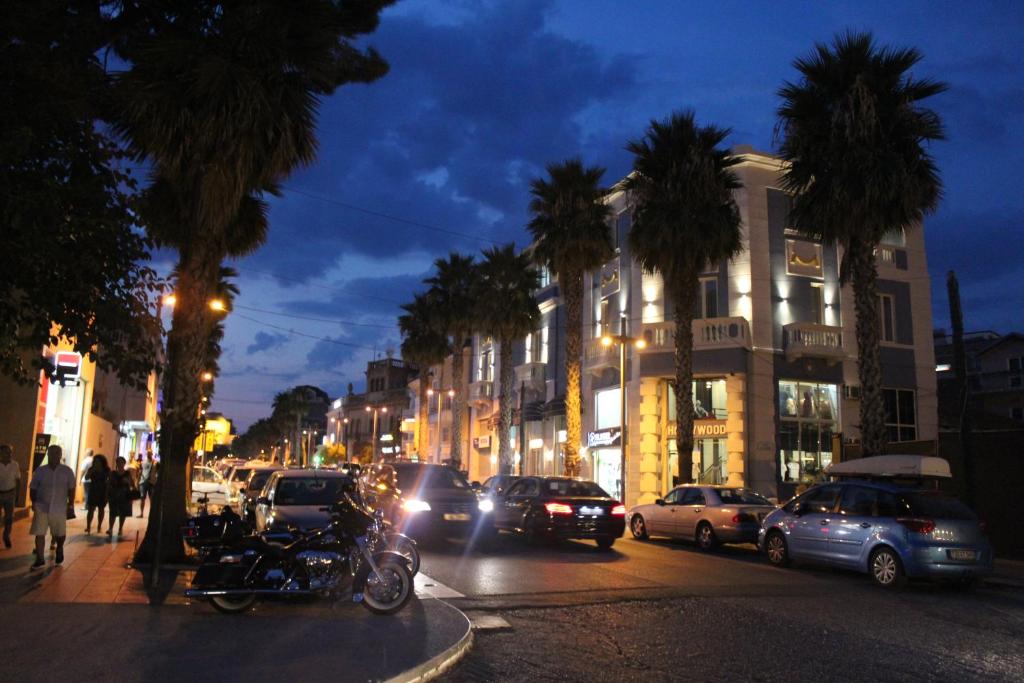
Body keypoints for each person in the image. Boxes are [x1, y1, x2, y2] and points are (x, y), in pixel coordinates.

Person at [28, 444, 76, 568]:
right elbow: (33, 487)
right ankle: (40, 558)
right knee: (40, 533)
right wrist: (34, 502)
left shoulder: (67, 471)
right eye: (52, 453)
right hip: (42, 506)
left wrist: (71, 504)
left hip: (59, 507)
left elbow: (71, 489)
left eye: (57, 453)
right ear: (48, 454)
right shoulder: (40, 471)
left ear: (60, 455)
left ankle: (59, 547)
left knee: (60, 533)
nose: (54, 456)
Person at [0, 444, 22, 549]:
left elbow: (18, 480)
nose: (9, 454)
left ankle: (6, 535)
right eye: (6, 452)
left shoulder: (15, 465)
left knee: (9, 517)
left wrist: (17, 495)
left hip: (10, 493)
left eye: (10, 452)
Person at [107, 457, 133, 538]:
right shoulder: (113, 473)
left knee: (123, 512)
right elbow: (109, 483)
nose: (119, 464)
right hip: (114, 494)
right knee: (113, 512)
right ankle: (110, 528)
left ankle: (120, 528)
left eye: (121, 462)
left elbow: (131, 483)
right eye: (118, 462)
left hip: (124, 495)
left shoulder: (127, 473)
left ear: (124, 463)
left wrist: (127, 482)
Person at [84, 455, 110, 534]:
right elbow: (86, 478)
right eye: (95, 461)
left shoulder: (106, 470)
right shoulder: (91, 469)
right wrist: (91, 471)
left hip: (102, 491)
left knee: (101, 509)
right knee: (90, 509)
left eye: (98, 461)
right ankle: (88, 526)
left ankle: (99, 526)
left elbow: (110, 479)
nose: (97, 463)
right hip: (93, 490)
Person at [138, 453, 156, 518]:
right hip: (143, 482)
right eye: (148, 453)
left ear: (152, 454)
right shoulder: (143, 462)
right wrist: (138, 482)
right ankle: (141, 513)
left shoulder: (155, 463)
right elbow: (140, 472)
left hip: (152, 482)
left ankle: (152, 514)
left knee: (152, 499)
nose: (149, 454)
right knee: (142, 498)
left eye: (150, 453)